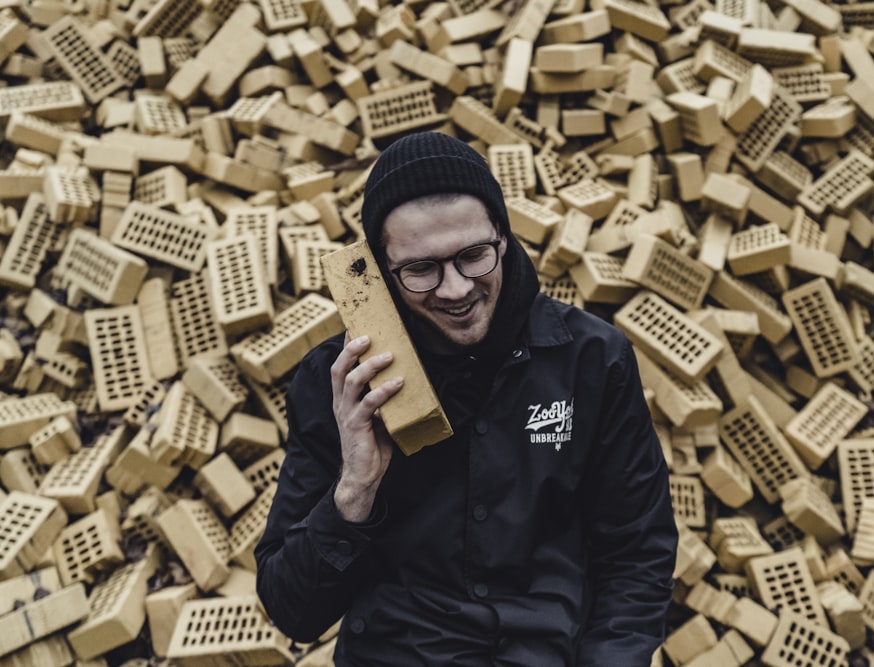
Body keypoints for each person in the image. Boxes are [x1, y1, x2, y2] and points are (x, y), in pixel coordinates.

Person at [256, 131, 677, 666]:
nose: (455, 290)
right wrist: (354, 493)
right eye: (421, 269)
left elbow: (636, 555)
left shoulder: (592, 359)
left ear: (502, 237)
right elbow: (293, 613)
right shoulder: (339, 383)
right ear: (383, 269)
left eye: (473, 256)